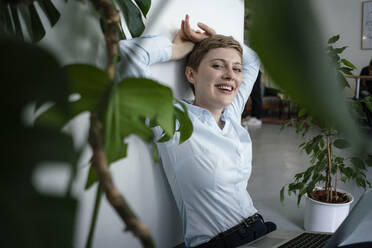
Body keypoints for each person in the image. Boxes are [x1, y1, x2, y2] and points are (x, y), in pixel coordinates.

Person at [117, 15, 276, 248]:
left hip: (260, 230)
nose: (230, 75)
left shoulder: (231, 115)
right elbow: (129, 54)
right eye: (217, 65)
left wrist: (215, 40)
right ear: (191, 74)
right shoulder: (172, 118)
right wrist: (179, 48)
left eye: (236, 69)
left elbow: (253, 61)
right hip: (222, 242)